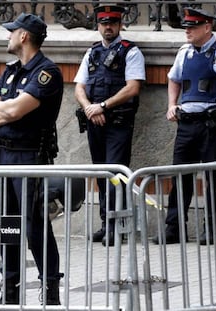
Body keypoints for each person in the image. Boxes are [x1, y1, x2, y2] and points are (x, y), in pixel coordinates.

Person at [0, 13, 64, 305]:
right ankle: (11, 290)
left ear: (24, 36)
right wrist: (7, 109)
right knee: (7, 225)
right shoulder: (12, 71)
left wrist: (5, 110)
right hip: (3, 156)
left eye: (11, 31)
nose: (8, 36)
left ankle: (50, 289)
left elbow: (13, 112)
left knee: (34, 225)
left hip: (30, 158)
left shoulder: (47, 73)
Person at [152, 7, 216, 245]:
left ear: (207, 28)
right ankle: (174, 228)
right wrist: (171, 105)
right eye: (186, 27)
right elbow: (174, 79)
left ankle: (212, 229)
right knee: (180, 177)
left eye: (193, 27)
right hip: (186, 125)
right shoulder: (184, 52)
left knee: (212, 178)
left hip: (210, 125)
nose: (188, 31)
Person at [74, 5, 145, 246]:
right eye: (104, 23)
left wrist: (102, 106)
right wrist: (89, 109)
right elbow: (79, 88)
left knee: (116, 174)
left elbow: (132, 88)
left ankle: (117, 227)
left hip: (118, 123)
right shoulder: (91, 53)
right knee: (102, 175)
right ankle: (106, 224)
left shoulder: (130, 52)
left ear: (120, 24)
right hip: (95, 122)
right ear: (98, 25)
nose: (108, 27)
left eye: (112, 22)